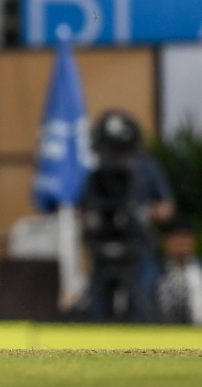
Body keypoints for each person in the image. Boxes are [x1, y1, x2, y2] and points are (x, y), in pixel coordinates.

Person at [84, 110, 174, 321]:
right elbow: (85, 206)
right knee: (98, 304)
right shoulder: (96, 171)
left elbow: (167, 207)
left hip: (137, 244)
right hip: (103, 244)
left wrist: (143, 212)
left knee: (142, 299)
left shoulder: (147, 167)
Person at [156, 216, 202, 325]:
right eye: (176, 237)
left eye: (186, 237)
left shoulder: (199, 271)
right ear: (166, 242)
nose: (181, 242)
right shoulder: (154, 273)